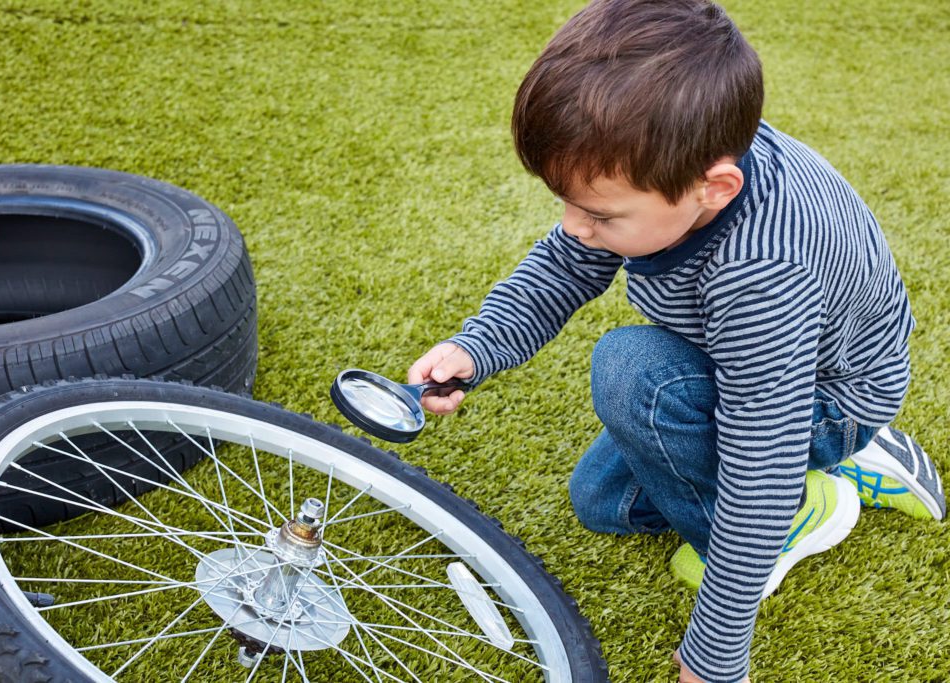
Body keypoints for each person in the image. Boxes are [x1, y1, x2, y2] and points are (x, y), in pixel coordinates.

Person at [405, 1, 946, 681]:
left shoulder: (761, 275)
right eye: (565, 203)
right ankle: (845, 464)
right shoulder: (681, 156)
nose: (574, 226)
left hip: (824, 394)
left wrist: (716, 655)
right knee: (600, 504)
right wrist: (477, 347)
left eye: (597, 212)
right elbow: (566, 264)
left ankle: (811, 500)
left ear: (714, 188)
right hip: (767, 364)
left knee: (635, 373)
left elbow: (759, 457)